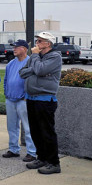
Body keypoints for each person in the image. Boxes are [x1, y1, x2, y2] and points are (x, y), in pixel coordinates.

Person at [19, 31, 62, 175]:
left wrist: (36, 61)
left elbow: (41, 69)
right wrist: (36, 69)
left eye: (39, 41)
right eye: (37, 41)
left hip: (45, 100)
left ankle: (53, 162)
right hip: (31, 98)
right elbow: (22, 72)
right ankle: (42, 158)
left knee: (47, 132)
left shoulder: (55, 56)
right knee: (35, 131)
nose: (36, 44)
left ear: (47, 44)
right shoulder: (35, 58)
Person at [2, 40, 37, 162]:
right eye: (14, 47)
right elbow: (6, 79)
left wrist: (27, 95)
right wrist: (6, 92)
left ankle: (32, 152)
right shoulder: (11, 63)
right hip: (10, 99)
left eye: (17, 47)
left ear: (24, 49)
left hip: (23, 100)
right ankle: (13, 149)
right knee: (11, 126)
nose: (14, 49)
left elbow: (32, 80)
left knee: (28, 127)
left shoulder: (30, 62)